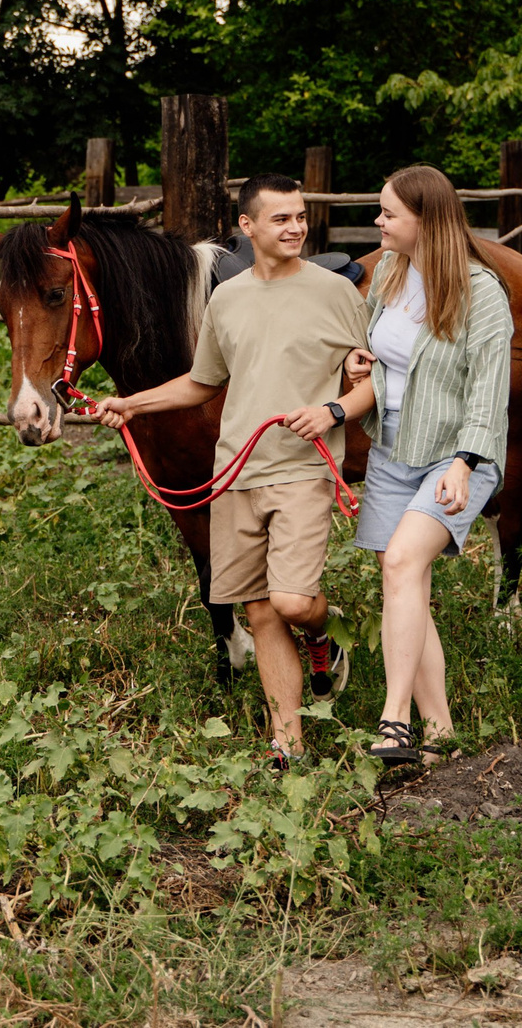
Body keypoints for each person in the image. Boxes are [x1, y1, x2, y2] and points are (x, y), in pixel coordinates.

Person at [95, 175, 374, 765]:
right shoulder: (226, 300)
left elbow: (374, 379)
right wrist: (132, 403)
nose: (296, 228)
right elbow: (202, 382)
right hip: (236, 475)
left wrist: (333, 410)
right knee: (259, 609)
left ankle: (324, 630)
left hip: (301, 469)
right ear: (247, 226)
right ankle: (287, 742)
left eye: (300, 216)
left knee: (292, 602)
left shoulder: (335, 293)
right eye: (281, 218)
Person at [346, 165, 515, 765]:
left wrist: (465, 463)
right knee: (405, 581)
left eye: (389, 213)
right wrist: (359, 360)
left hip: (456, 454)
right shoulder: (390, 273)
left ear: (427, 219)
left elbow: (489, 392)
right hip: (393, 448)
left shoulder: (480, 292)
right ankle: (441, 733)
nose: (378, 221)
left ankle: (394, 721)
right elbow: (379, 352)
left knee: (401, 562)